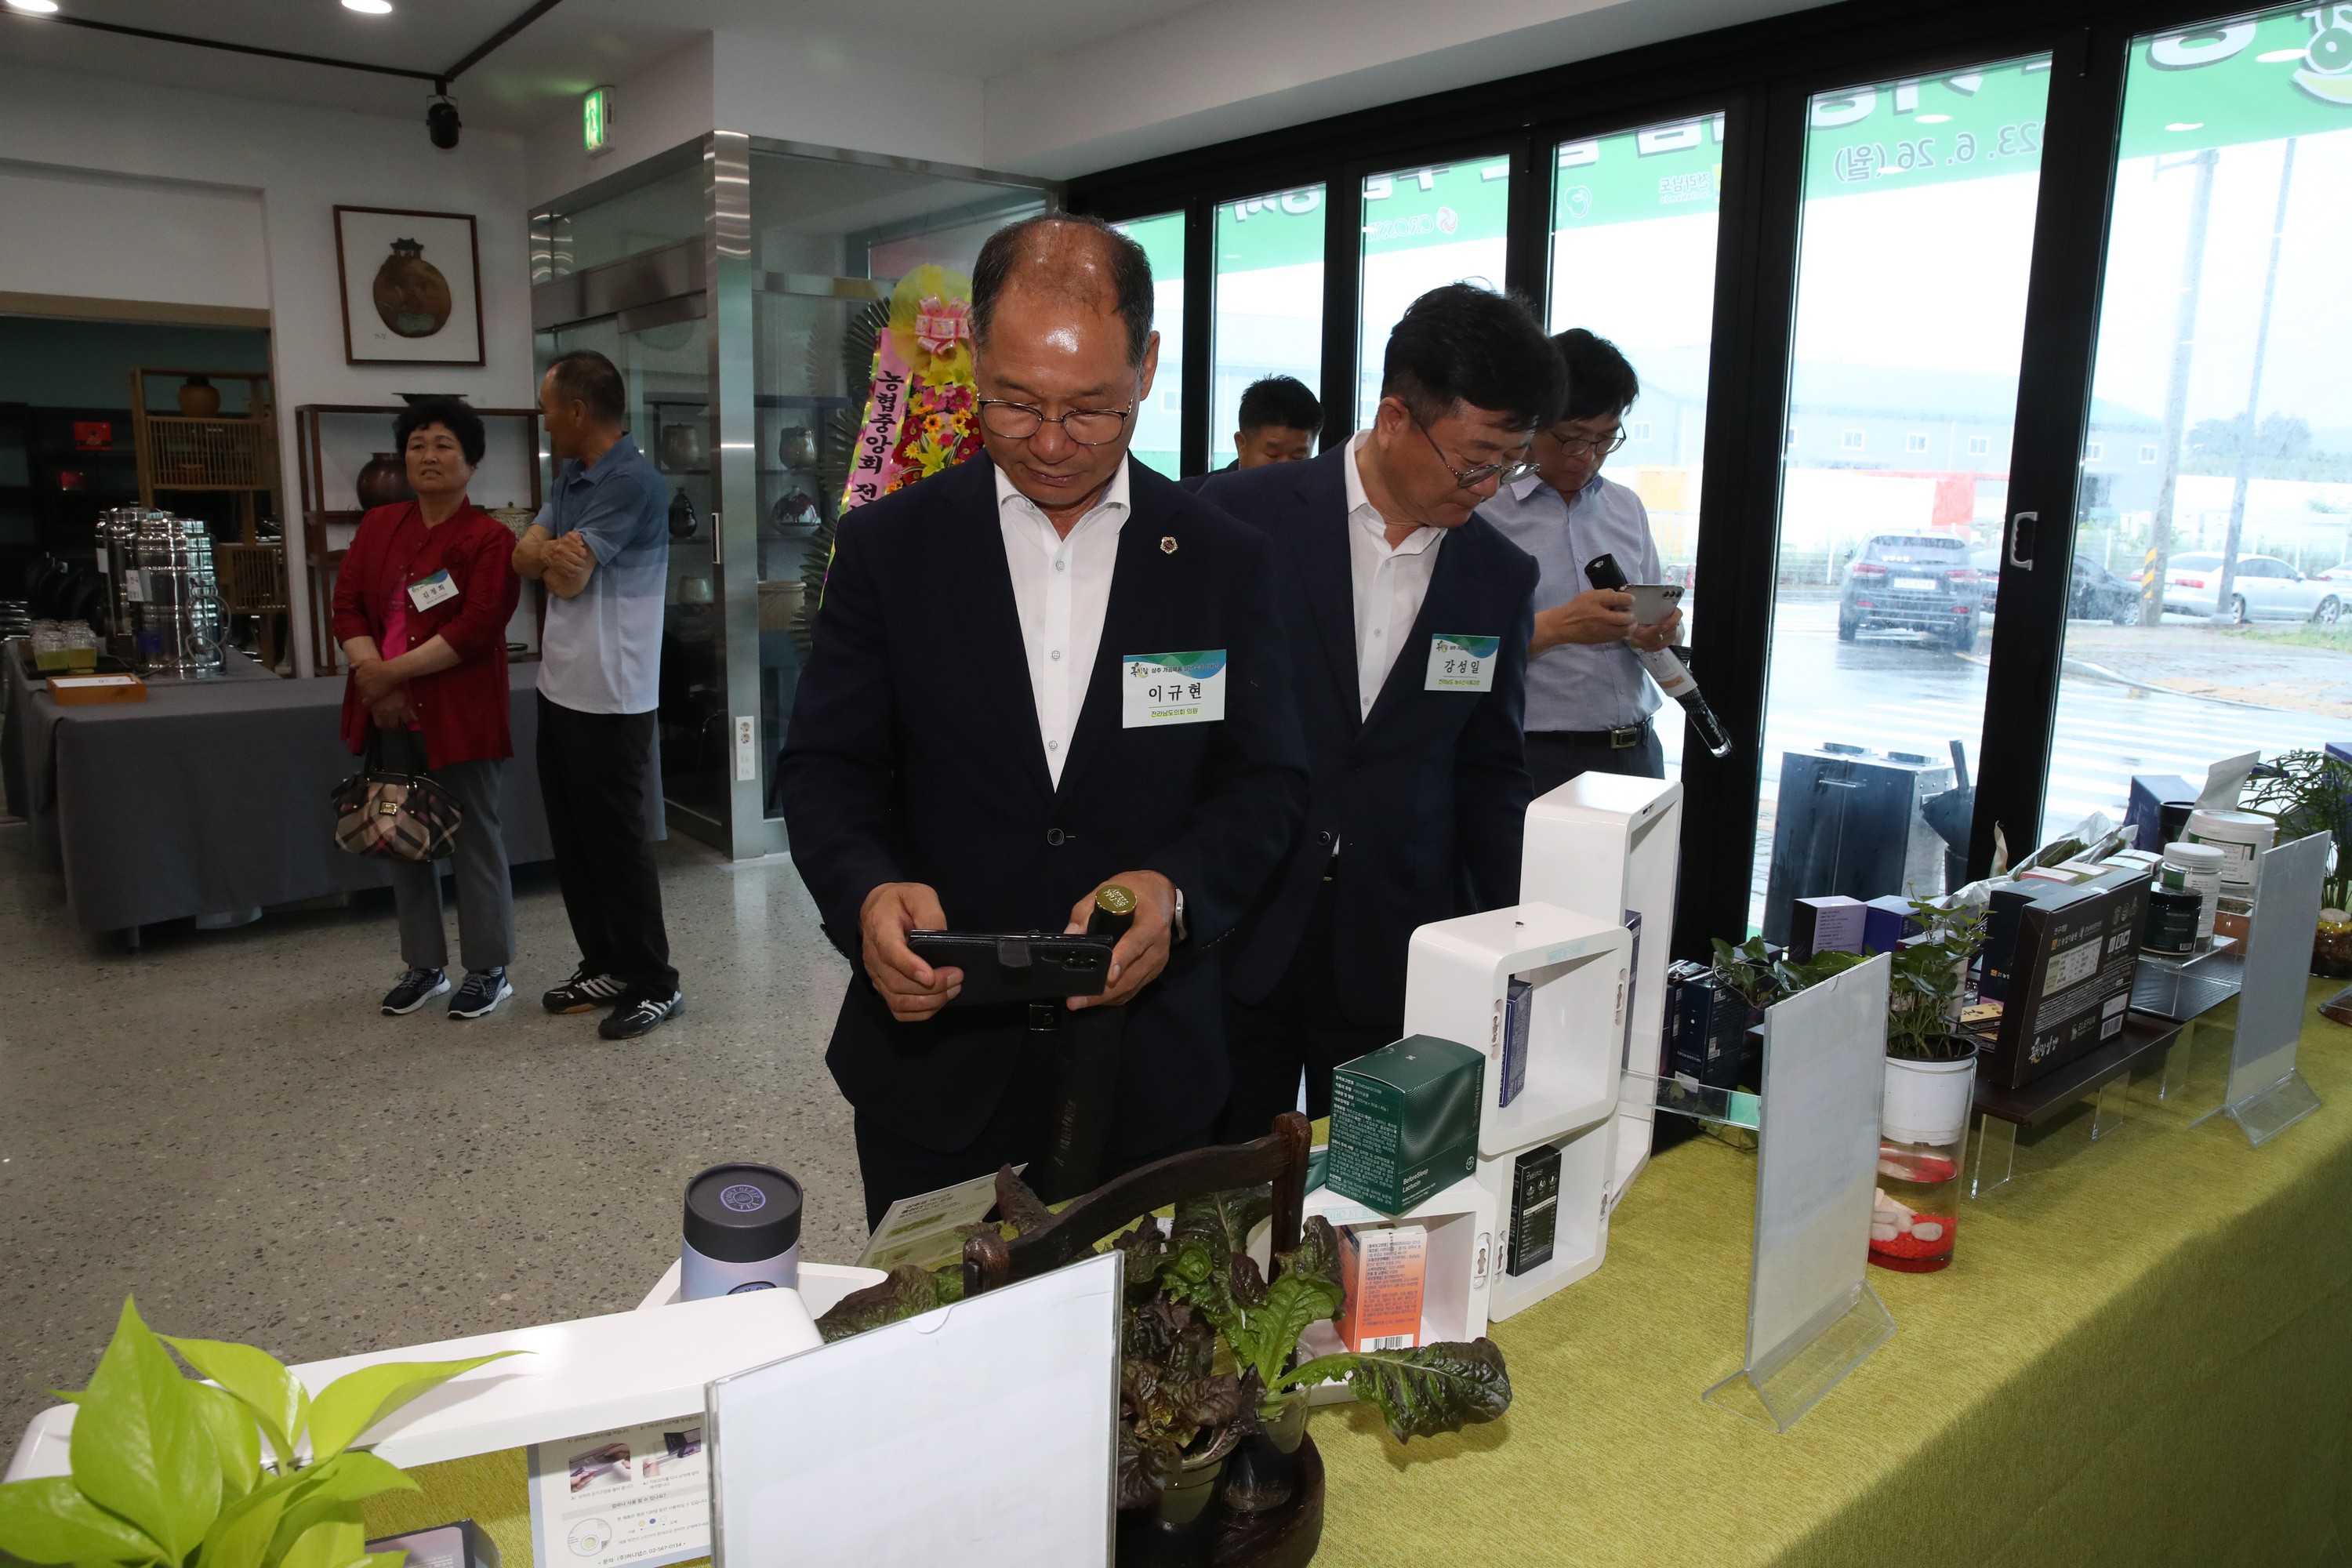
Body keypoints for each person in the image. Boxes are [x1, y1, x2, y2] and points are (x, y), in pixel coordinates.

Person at [780, 214, 1308, 1228]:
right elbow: (826, 769)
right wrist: (867, 894)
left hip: (1154, 1072)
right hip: (938, 1059)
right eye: (1015, 404)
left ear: (1148, 367)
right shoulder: (891, 550)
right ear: (973, 356)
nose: (1054, 443)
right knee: (943, 1355)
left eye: (1094, 410)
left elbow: (1269, 780)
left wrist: (1176, 890)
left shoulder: (1221, 559)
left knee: (1145, 1360)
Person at [1203, 283, 1563, 1134]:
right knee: (1203, 1185)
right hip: (1236, 928)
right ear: (1397, 417)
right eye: (1474, 458)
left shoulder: (1497, 578)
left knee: (1374, 1203)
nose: (1487, 486)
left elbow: (1489, 775)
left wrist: (1515, 945)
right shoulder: (1233, 523)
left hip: (1394, 944)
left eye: (1509, 464)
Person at [332, 397, 523, 1018]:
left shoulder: (489, 538)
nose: (428, 456)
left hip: (456, 711)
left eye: (443, 444)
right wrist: (374, 679)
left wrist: (386, 675)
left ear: (471, 462)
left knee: (474, 839)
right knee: (397, 830)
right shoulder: (379, 525)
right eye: (417, 444)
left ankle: (489, 969)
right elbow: (348, 607)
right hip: (385, 709)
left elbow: (476, 627)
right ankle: (424, 965)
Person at [512, 350, 682, 1041]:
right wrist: (543, 550)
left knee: (616, 844)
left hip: (613, 693)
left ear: (577, 411)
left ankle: (654, 981)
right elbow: (522, 556)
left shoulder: (633, 482)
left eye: (548, 406)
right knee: (574, 841)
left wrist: (544, 554)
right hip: (561, 685)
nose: (544, 419)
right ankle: (605, 962)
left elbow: (565, 581)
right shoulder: (572, 475)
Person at [1480, 328, 1681, 791]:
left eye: (1605, 440)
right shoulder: (1481, 512)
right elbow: (1447, 654)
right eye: (1571, 438)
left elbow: (1652, 624)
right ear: (1531, 423)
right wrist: (1555, 628)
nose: (1587, 457)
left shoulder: (1626, 507)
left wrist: (1662, 631)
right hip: (1532, 754)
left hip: (1636, 750)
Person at [1180, 374, 1323, 492]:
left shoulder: (1325, 503)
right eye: (1273, 454)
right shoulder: (1192, 498)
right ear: (1241, 444)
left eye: (1298, 457)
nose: (1286, 469)